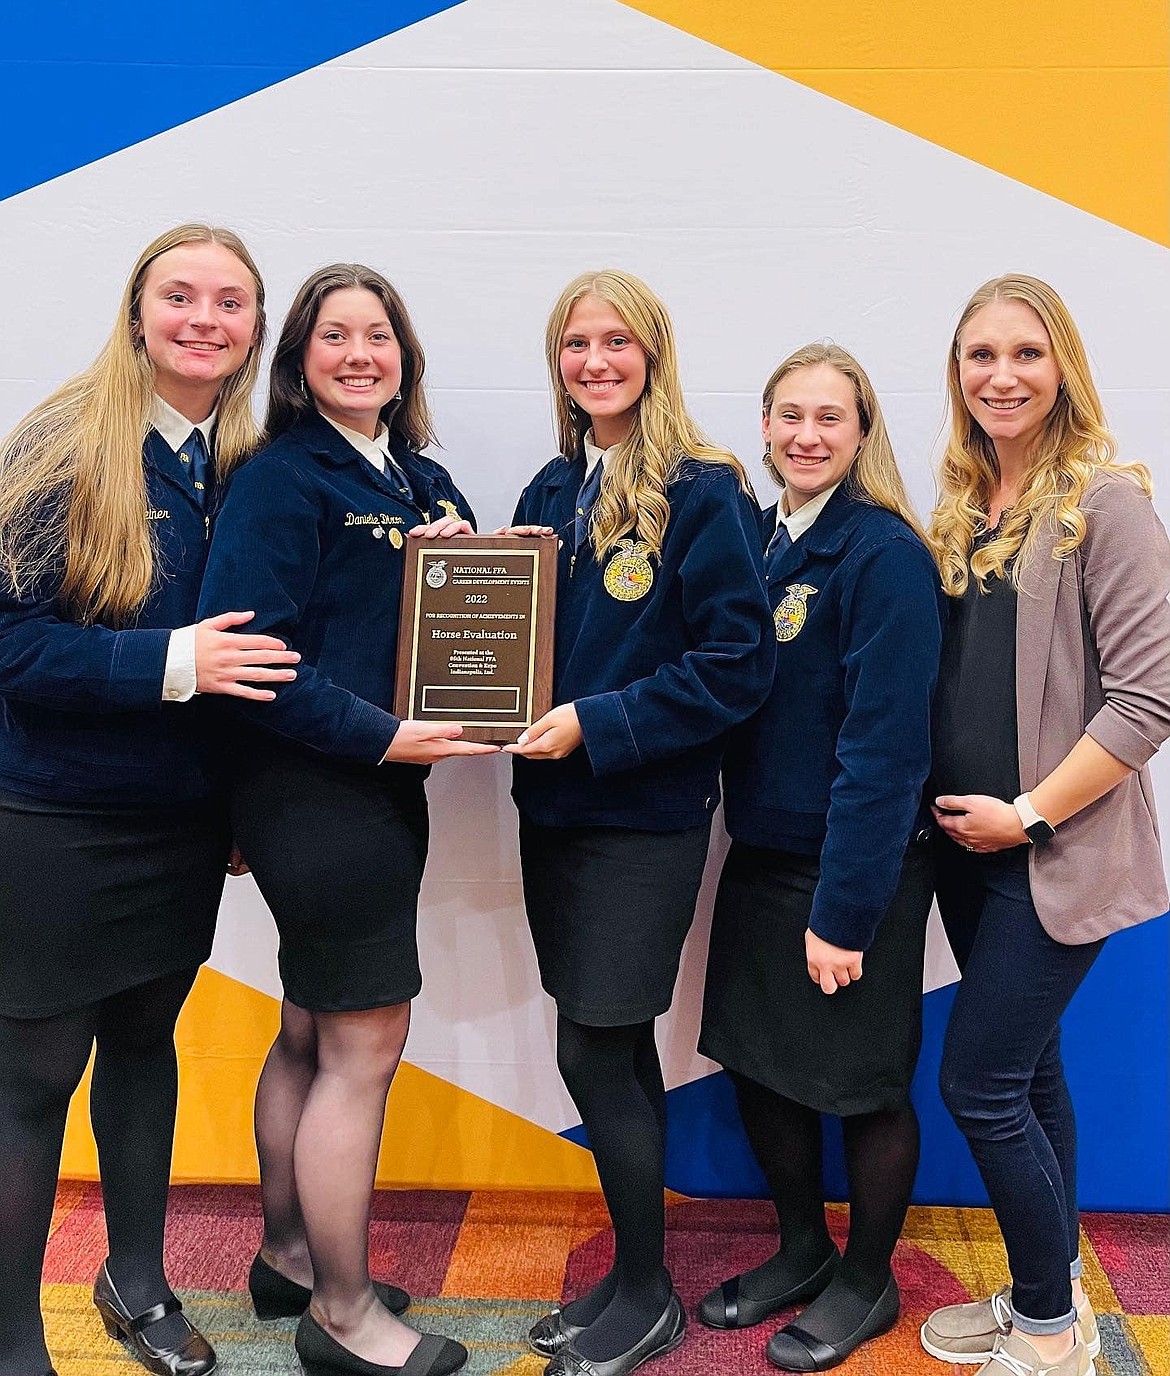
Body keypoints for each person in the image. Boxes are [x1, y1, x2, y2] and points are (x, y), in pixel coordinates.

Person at [0, 224, 299, 1376]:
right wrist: (171, 661)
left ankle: (135, 1278)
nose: (203, 320)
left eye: (230, 302)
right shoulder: (64, 440)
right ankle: (14, 1330)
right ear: (138, 312)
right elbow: (12, 643)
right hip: (54, 823)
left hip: (181, 827)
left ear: (254, 329)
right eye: (181, 296)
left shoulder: (251, 458)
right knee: (29, 1081)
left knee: (143, 1042)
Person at [197, 263, 495, 1376]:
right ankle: (342, 1308)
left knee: (312, 1030)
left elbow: (465, 616)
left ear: (404, 354)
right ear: (299, 358)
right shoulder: (283, 478)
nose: (360, 352)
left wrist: (478, 563)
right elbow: (253, 660)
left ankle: (285, 1254)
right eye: (336, 336)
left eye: (379, 334)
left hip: (370, 794)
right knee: (364, 1045)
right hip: (316, 793)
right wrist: (380, 735)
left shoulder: (419, 477)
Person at [502, 269, 775, 1376]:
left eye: (618, 340)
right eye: (577, 342)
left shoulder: (701, 489)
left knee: (597, 1043)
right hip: (552, 809)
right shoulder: (548, 486)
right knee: (596, 1044)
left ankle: (650, 1290)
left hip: (642, 816)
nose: (596, 360)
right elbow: (511, 639)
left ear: (652, 353)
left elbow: (738, 663)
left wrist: (597, 721)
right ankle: (632, 1273)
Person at [920, 274, 1170, 1376]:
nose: (1001, 375)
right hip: (966, 857)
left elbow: (1147, 699)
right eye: (980, 354)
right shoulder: (963, 501)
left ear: (1061, 364)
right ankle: (1043, 1292)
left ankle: (1058, 1337)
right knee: (1032, 1078)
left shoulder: (1104, 501)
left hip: (1050, 850)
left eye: (1025, 353)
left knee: (979, 1085)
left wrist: (1025, 812)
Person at [697, 343, 944, 1372]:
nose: (806, 435)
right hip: (761, 855)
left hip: (856, 870)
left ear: (861, 433)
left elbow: (885, 749)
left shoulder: (882, 554)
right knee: (763, 1064)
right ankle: (802, 1244)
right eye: (788, 414)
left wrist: (844, 911)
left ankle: (867, 1273)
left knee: (860, 1083)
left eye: (829, 418)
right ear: (762, 426)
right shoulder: (756, 541)